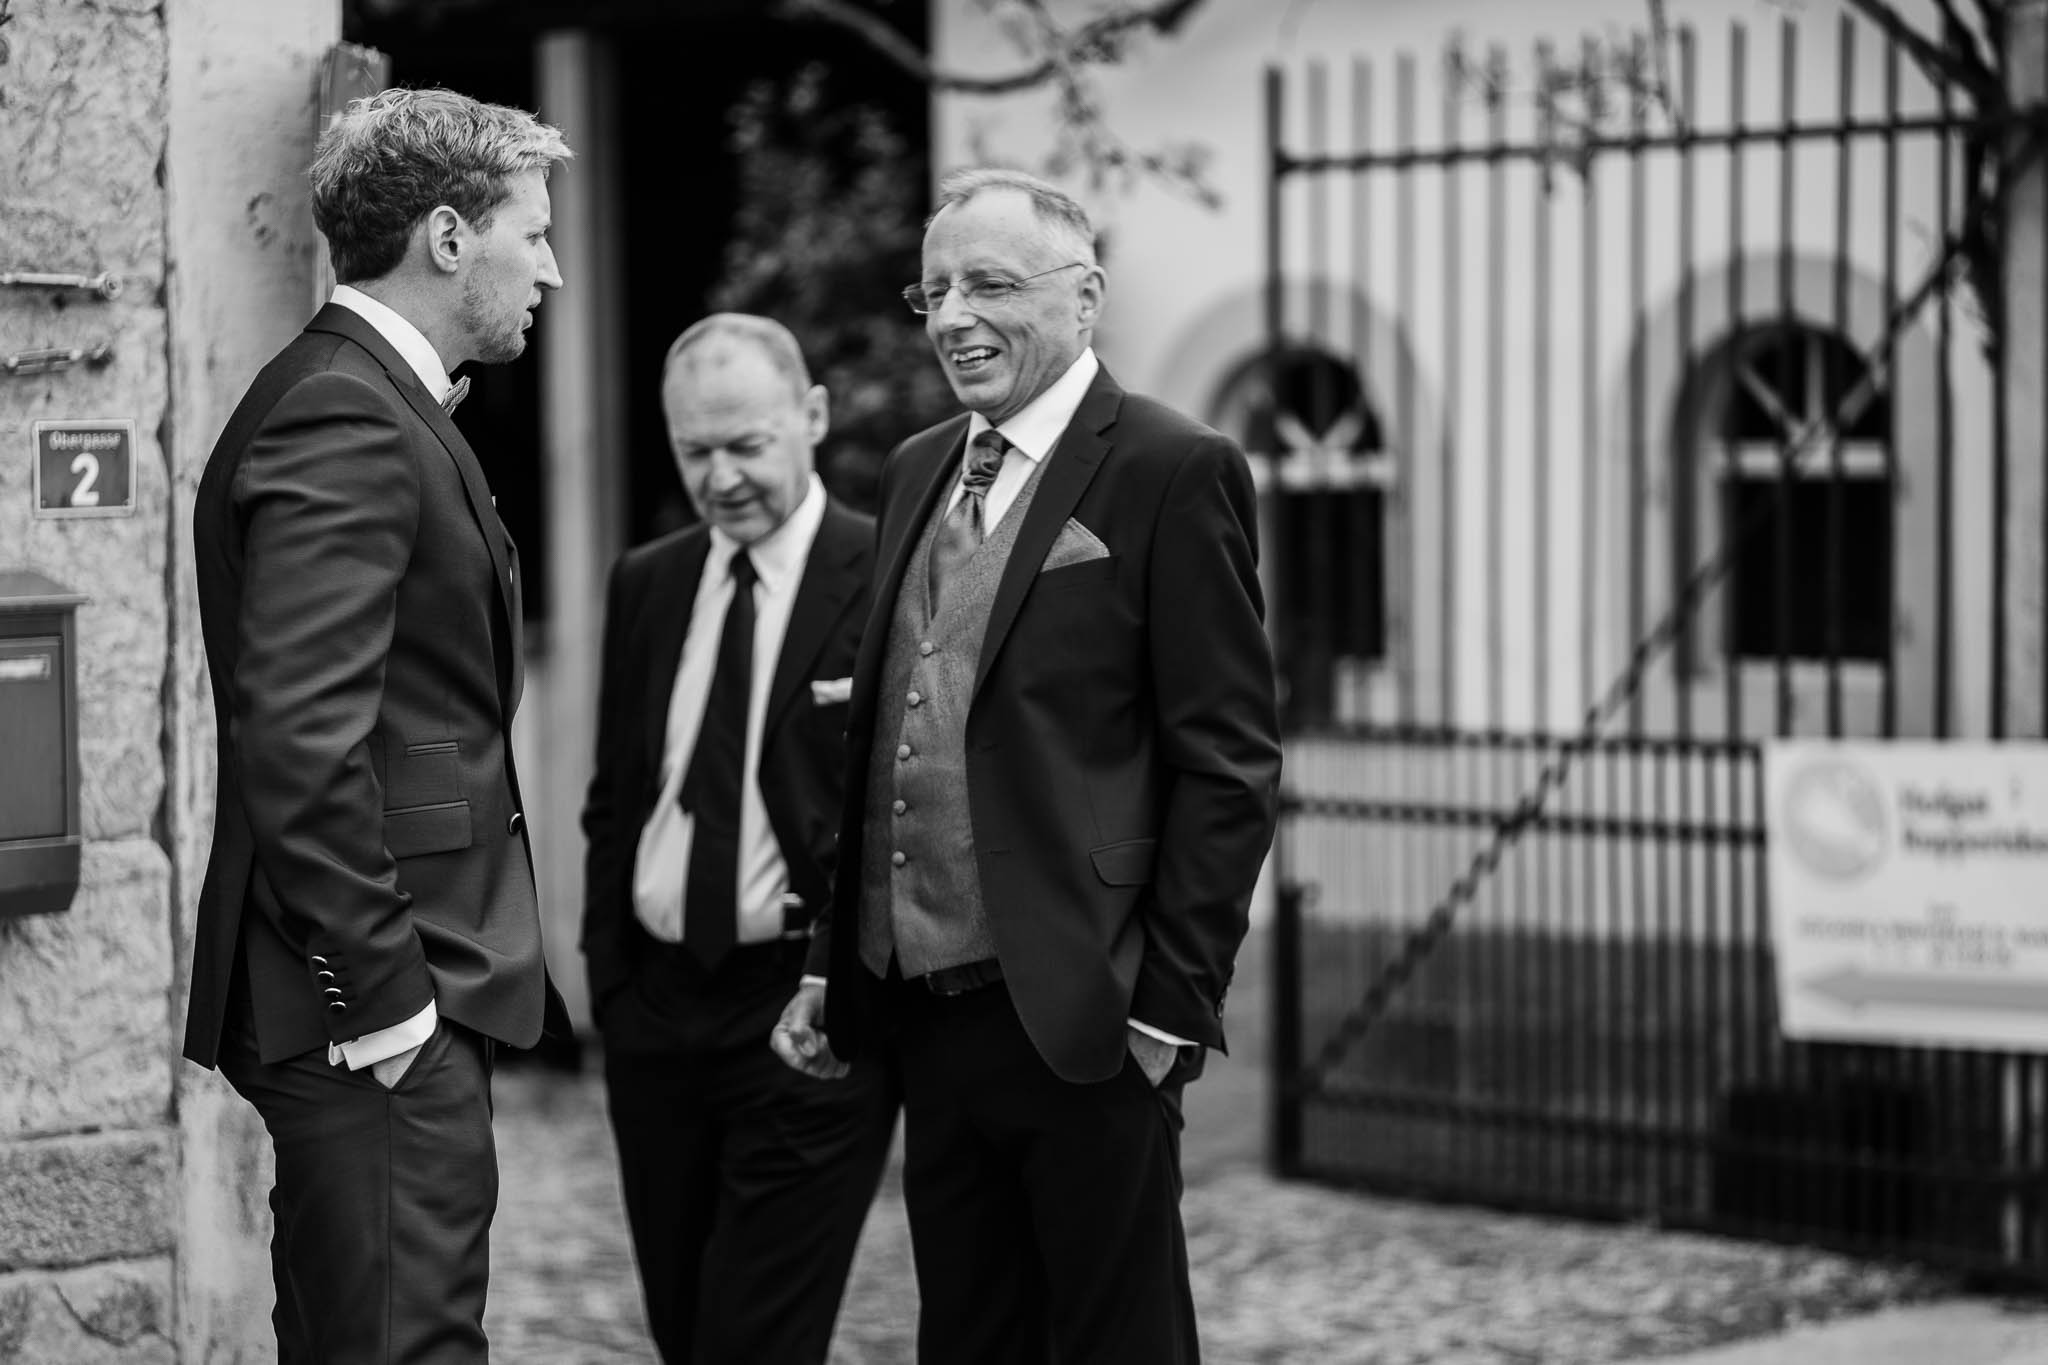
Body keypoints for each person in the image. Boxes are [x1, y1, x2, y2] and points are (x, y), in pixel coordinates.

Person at [772, 167, 1283, 1364]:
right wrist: (825, 962)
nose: (951, 317)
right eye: (934, 289)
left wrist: (1169, 1003)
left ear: (1084, 296)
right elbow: (886, 732)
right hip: (926, 1014)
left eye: (989, 285)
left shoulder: (1171, 465)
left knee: (1116, 1339)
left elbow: (1228, 759)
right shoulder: (913, 469)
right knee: (968, 1334)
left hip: (1088, 1007)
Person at [184, 87, 572, 1364]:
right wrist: (389, 1004)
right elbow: (302, 738)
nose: (552, 267)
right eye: (534, 231)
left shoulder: (363, 397)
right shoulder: (345, 412)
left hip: (383, 991)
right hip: (375, 1002)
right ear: (448, 237)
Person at [581, 315, 897, 1364]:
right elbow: (616, 799)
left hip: (801, 1012)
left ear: (808, 419)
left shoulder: (889, 575)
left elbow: (906, 811)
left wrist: (838, 982)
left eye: (745, 445)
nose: (718, 478)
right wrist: (612, 985)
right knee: (682, 1331)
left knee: (753, 1341)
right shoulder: (648, 581)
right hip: (656, 1017)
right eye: (693, 451)